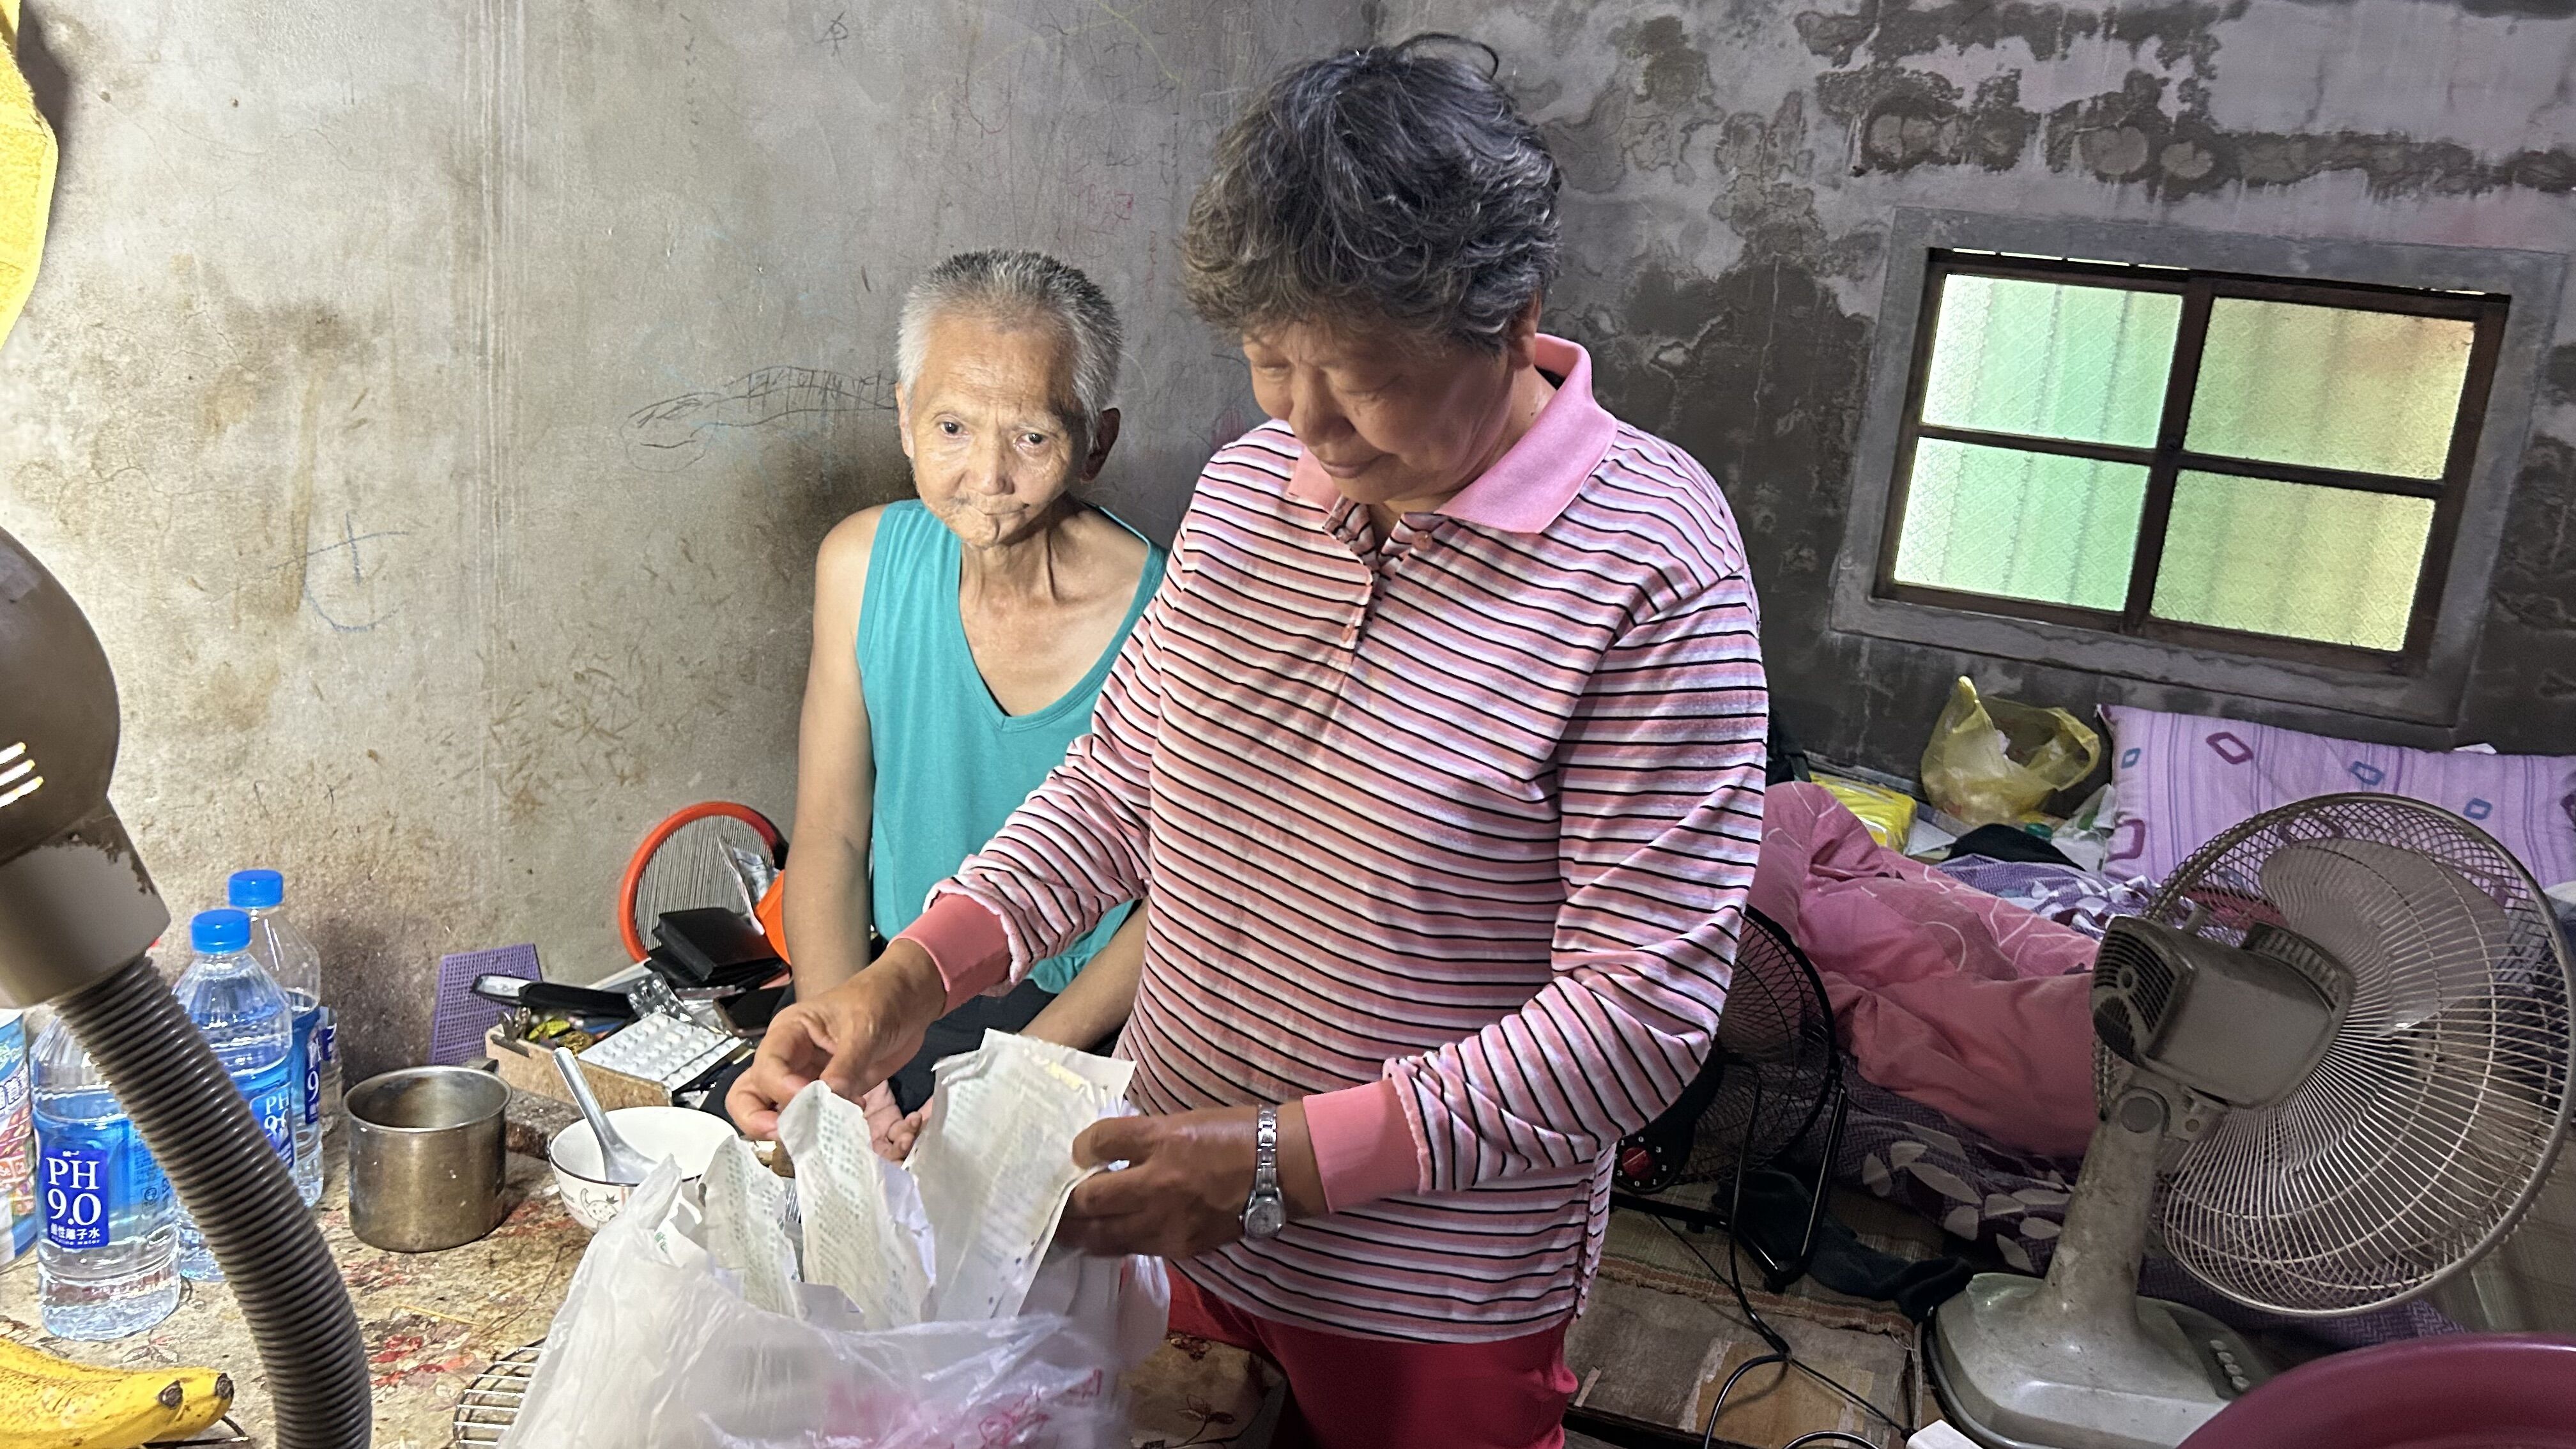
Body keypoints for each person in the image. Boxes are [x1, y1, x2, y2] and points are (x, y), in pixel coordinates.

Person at [732, 39, 1767, 1449]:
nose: (1306, 423)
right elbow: (1113, 794)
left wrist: (1283, 1167)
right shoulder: (1245, 499)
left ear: (1513, 319)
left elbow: (1638, 1017)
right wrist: (914, 975)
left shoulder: (1653, 566)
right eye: (1272, 364)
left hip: (1431, 1291)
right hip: (1171, 1214)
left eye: (1364, 378)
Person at [767, 249, 1162, 1150]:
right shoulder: (861, 565)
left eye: (1031, 436)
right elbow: (829, 832)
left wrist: (1011, 1082)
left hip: (1085, 1022)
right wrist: (840, 1054)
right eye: (951, 427)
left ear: (1094, 443)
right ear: (905, 420)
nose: (986, 474)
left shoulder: (1171, 615)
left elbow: (1181, 900)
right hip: (897, 991)